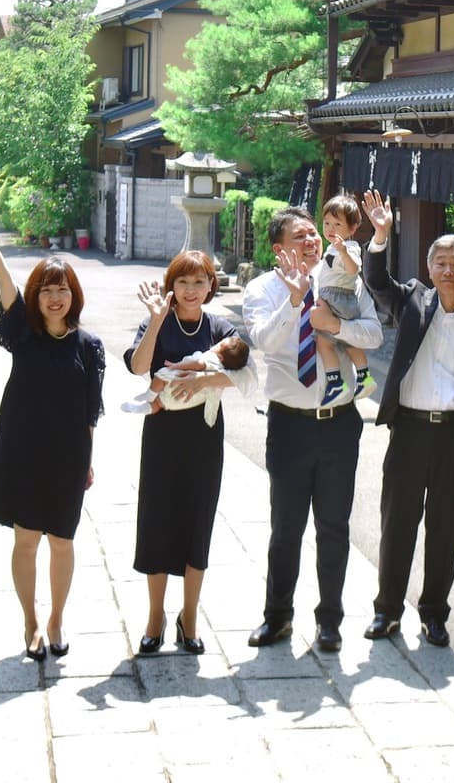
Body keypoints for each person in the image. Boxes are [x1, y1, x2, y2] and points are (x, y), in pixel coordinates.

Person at [360, 189, 454, 649]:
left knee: (444, 528)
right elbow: (377, 283)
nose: (447, 270)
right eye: (440, 262)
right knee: (397, 524)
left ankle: (435, 613)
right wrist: (380, 235)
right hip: (411, 431)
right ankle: (386, 611)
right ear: (429, 269)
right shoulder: (413, 303)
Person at [242, 206, 383, 652]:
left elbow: (374, 334)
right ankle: (277, 616)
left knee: (334, 526)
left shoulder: (342, 278)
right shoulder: (261, 289)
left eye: (313, 234)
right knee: (285, 527)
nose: (312, 241)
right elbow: (265, 341)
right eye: (300, 235)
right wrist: (296, 301)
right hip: (289, 425)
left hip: (339, 424)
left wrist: (336, 325)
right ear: (278, 247)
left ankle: (330, 622)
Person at [0, 201, 104, 659]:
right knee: (25, 539)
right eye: (47, 290)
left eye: (62, 289)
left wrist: (87, 462)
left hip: (67, 455)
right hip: (21, 450)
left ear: (73, 295)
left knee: (63, 541)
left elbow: (92, 410)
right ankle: (30, 620)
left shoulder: (89, 347)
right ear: (36, 296)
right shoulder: (23, 332)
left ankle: (56, 619)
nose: (55, 297)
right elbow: (3, 281)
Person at [126, 251, 255, 654]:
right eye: (184, 282)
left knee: (197, 523)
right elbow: (137, 366)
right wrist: (155, 321)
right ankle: (154, 616)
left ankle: (190, 616)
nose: (192, 290)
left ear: (211, 286)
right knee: (156, 521)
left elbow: (246, 375)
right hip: (162, 435)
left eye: (200, 282)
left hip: (203, 437)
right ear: (172, 286)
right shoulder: (157, 321)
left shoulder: (218, 326)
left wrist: (202, 382)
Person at [315, 194, 376, 406]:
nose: (330, 228)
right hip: (334, 296)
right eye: (327, 223)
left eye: (337, 224)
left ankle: (337, 382)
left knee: (327, 342)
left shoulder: (349, 247)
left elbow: (354, 270)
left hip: (338, 297)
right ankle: (361, 376)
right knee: (343, 342)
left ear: (351, 229)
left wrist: (343, 251)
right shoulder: (332, 248)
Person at [123, 332, 251, 426]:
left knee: (161, 376)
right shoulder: (225, 369)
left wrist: (175, 366)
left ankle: (149, 395)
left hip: (176, 387)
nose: (216, 345)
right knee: (159, 404)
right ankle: (143, 407)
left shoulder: (213, 358)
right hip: (181, 402)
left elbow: (196, 364)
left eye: (219, 345)